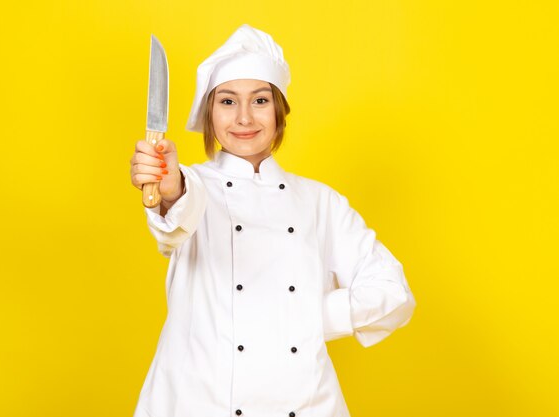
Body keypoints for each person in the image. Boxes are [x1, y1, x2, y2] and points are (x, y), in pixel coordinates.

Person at [129, 24, 416, 417]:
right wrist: (169, 190)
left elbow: (392, 292)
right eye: (228, 102)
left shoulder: (320, 203)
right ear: (209, 114)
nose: (244, 117)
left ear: (279, 111)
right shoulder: (194, 186)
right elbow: (176, 218)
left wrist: (310, 317)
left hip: (306, 404)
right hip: (198, 403)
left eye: (260, 100)